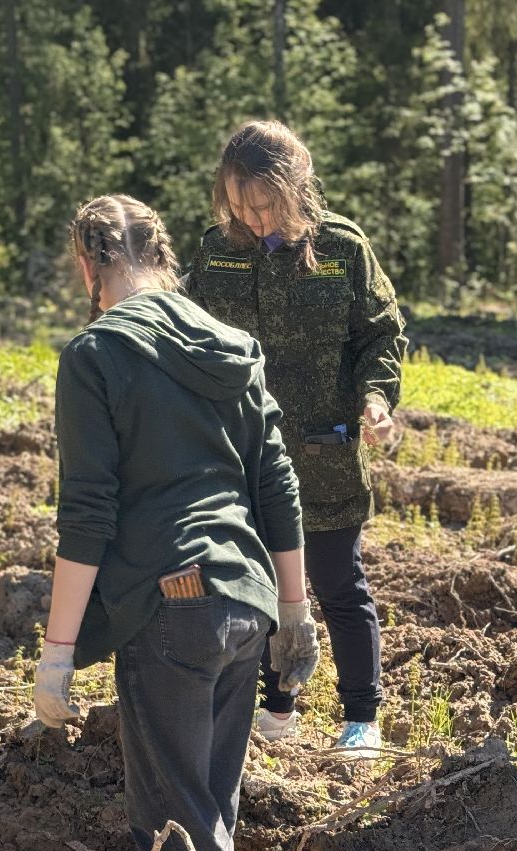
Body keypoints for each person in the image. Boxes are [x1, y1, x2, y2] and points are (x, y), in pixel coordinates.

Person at [32, 194, 319, 851]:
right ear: (163, 258)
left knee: (172, 824)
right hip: (246, 600)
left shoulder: (97, 355)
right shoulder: (233, 346)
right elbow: (276, 484)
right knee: (207, 809)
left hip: (172, 604)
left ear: (89, 266)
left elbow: (88, 514)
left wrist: (57, 656)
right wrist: (294, 613)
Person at [185, 121, 406, 759]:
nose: (252, 220)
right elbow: (188, 330)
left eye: (263, 205)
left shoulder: (342, 248)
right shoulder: (216, 248)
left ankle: (362, 717)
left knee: (338, 583)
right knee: (257, 589)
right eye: (237, 204)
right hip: (239, 451)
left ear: (297, 186)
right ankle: (277, 710)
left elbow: (380, 334)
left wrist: (376, 399)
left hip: (322, 448)